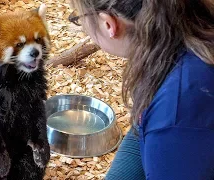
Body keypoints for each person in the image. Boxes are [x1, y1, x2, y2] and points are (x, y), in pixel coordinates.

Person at [67, 0, 214, 179]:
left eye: (78, 18)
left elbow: (167, 132)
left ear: (109, 24)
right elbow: (142, 124)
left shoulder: (175, 119)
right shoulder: (182, 27)